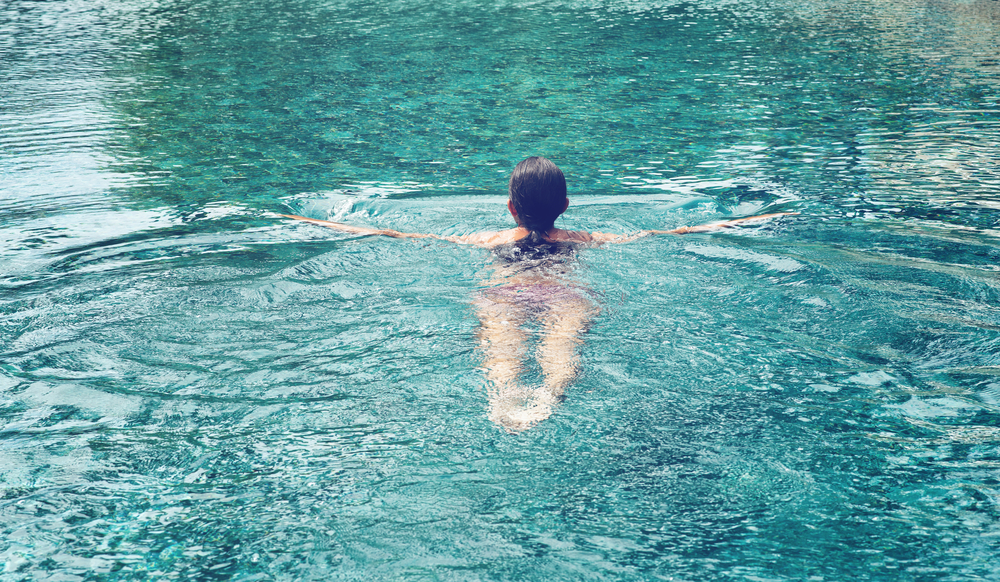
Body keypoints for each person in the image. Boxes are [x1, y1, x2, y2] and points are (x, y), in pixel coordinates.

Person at [281, 156, 793, 432]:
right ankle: (550, 394)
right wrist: (752, 218)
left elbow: (409, 237)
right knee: (561, 349)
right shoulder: (580, 239)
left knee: (502, 351)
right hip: (564, 294)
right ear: (565, 205)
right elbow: (661, 236)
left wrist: (304, 220)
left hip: (504, 295)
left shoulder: (492, 240)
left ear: (510, 208)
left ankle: (504, 397)